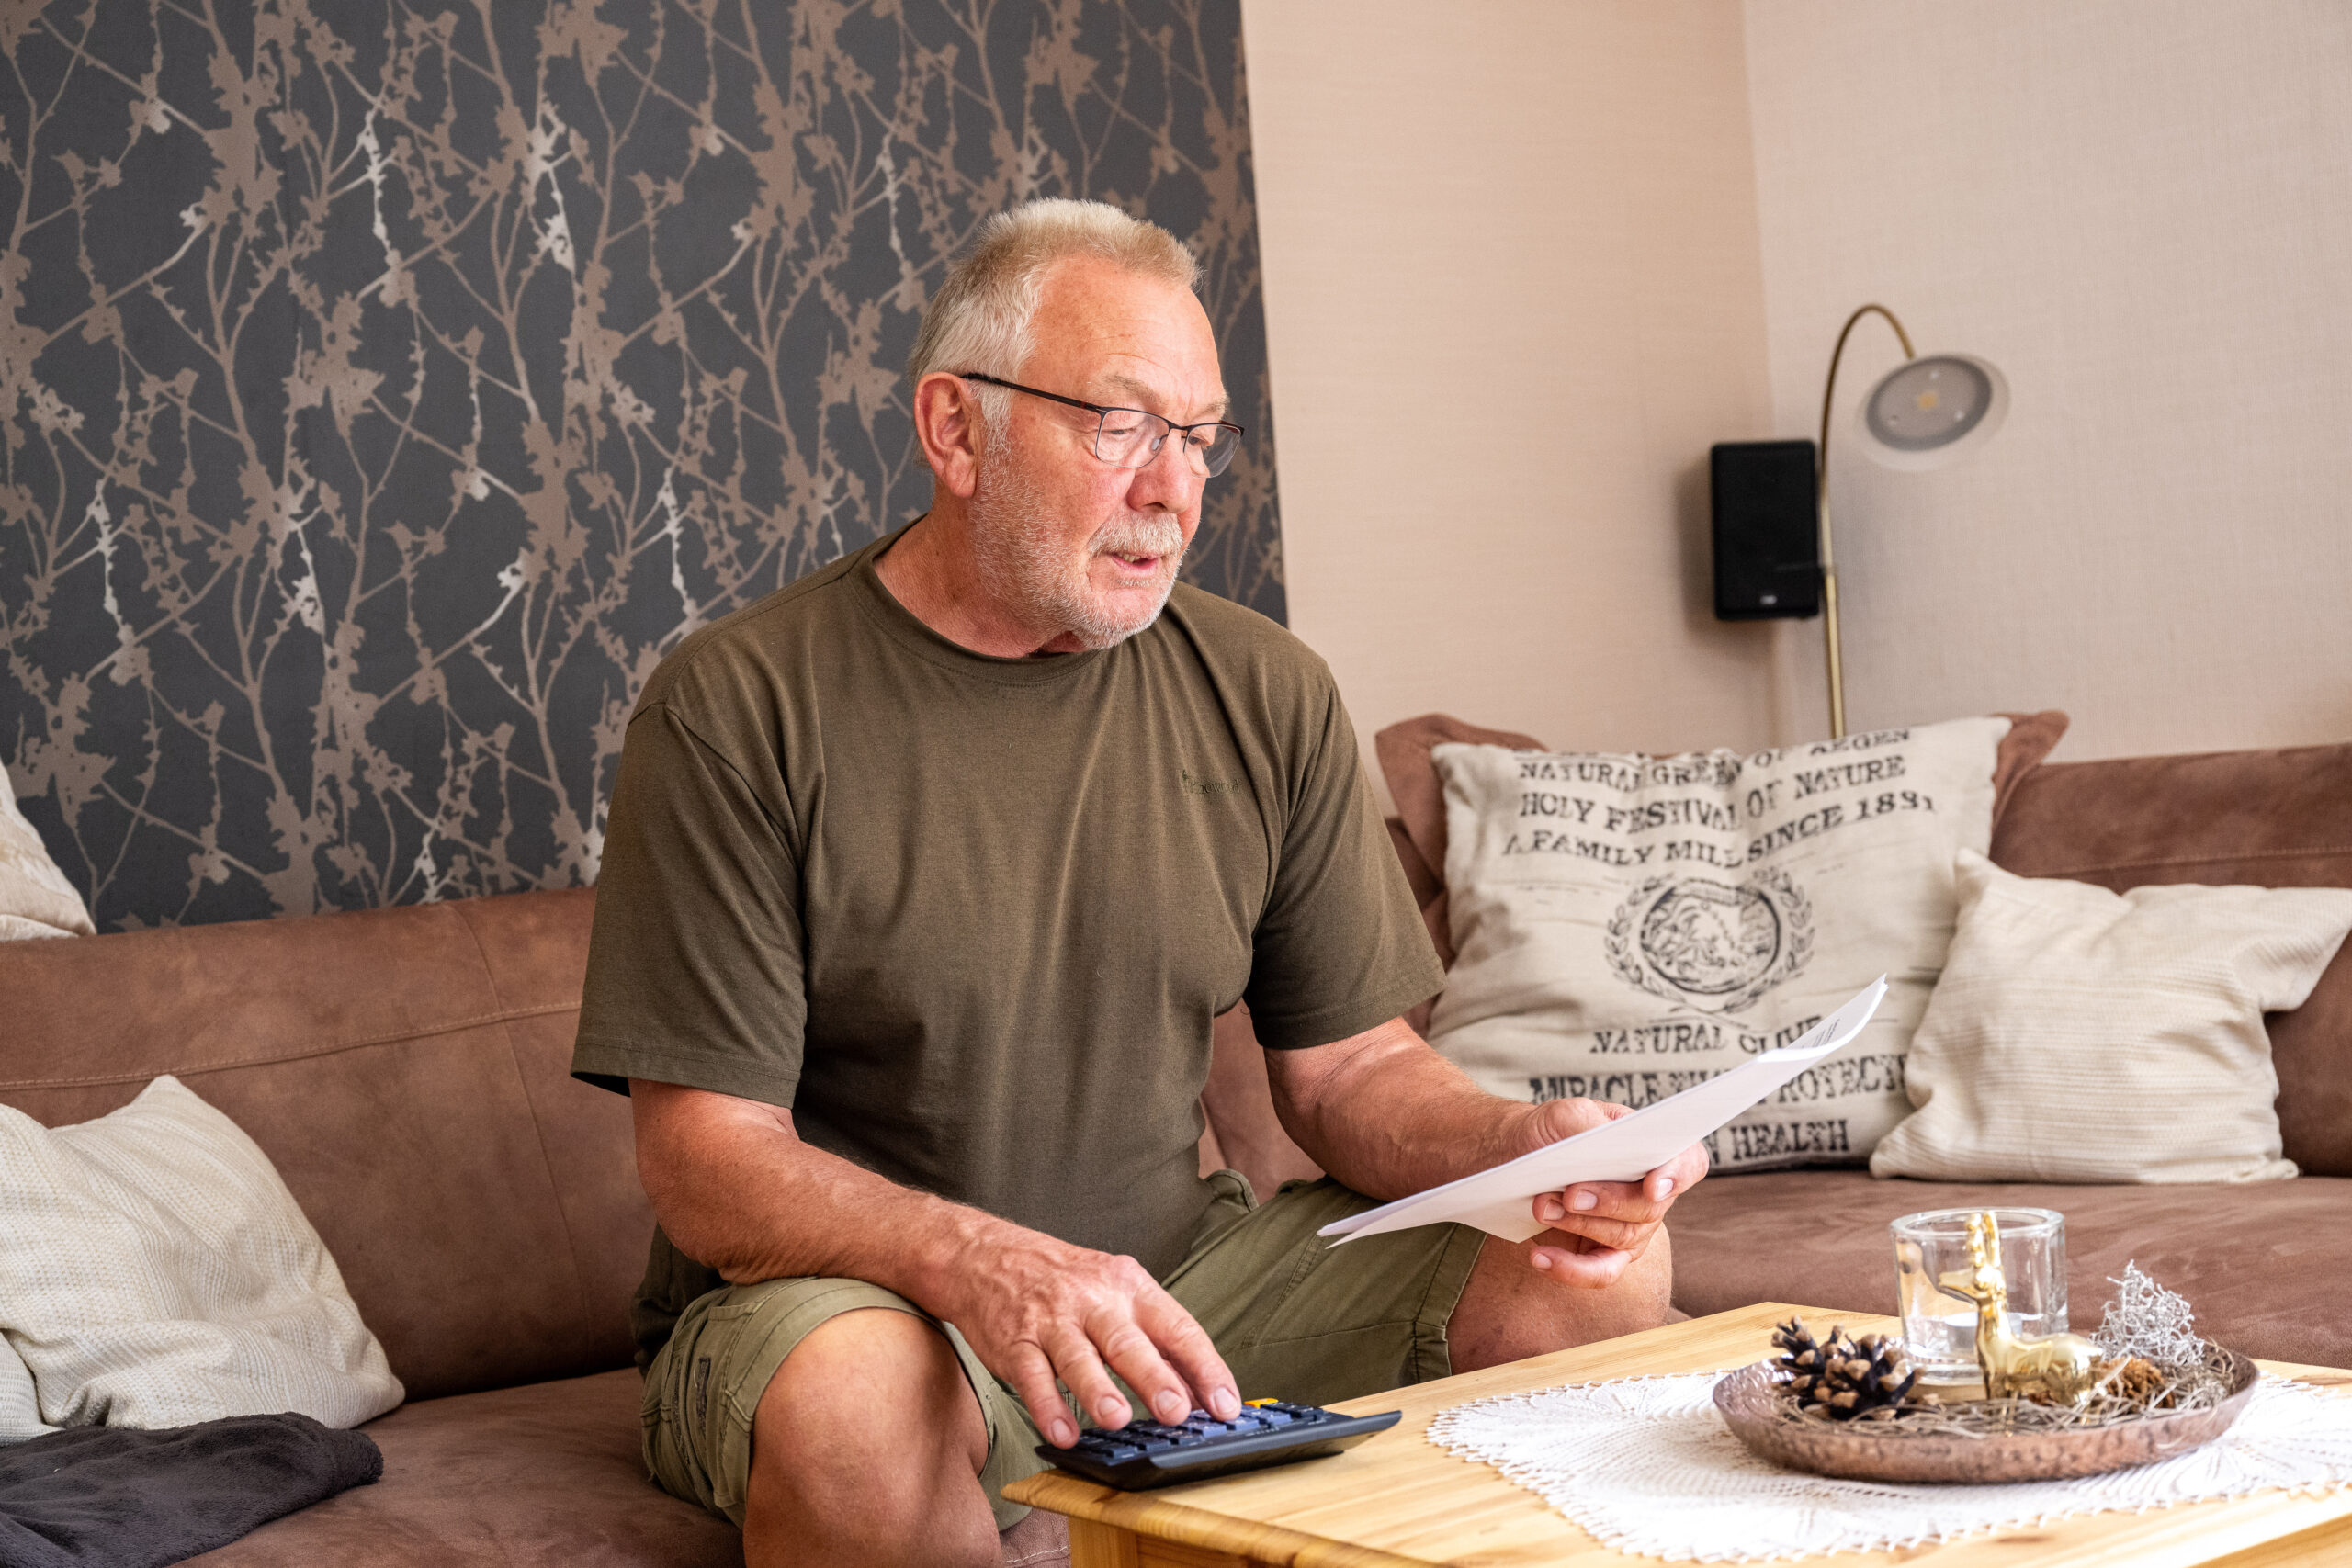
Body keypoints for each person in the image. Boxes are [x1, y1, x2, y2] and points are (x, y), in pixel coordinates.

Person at [571, 198, 1708, 1568]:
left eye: (1199, 436)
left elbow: (1348, 1074)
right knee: (864, 1397)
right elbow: (709, 1161)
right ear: (956, 430)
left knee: (1593, 1269)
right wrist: (984, 1262)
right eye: (1119, 427)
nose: (1173, 491)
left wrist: (1524, 1151)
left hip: (1183, 1287)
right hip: (858, 1311)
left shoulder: (1263, 686)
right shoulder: (740, 705)